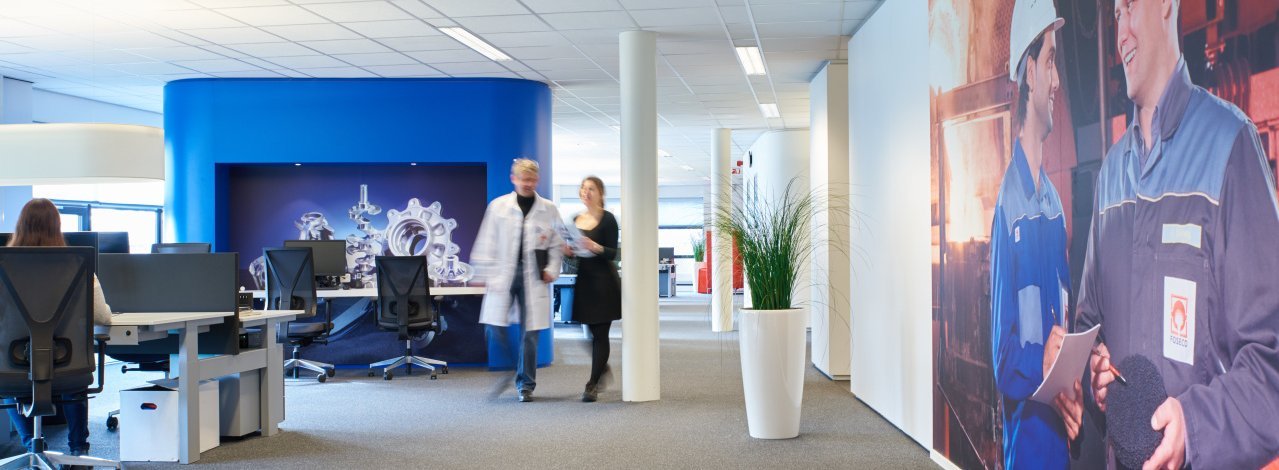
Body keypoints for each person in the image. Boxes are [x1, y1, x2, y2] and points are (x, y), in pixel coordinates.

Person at [1077, 0, 1279, 468]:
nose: (1121, 32)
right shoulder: (1109, 180)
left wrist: (1196, 424)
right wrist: (1096, 370)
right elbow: (1090, 325)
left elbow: (1272, 363)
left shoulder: (1230, 148)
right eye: (1114, 16)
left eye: (1128, 7)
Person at [989, 1, 1080, 468]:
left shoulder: (1054, 206)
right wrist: (1043, 358)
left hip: (1060, 445)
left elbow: (1064, 324)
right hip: (1027, 451)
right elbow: (1003, 357)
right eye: (1050, 61)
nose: (1057, 80)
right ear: (1029, 72)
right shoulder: (1009, 208)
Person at [4, 198, 113, 457]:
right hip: (68, 366)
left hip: (13, 366)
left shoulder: (3, 269)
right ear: (58, 227)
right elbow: (103, 318)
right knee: (74, 379)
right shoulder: (79, 267)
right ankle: (78, 450)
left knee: (6, 378)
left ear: (19, 226)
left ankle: (31, 444)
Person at [471, 158, 564, 403]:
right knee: (493, 327)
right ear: (513, 179)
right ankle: (512, 366)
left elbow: (557, 244)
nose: (528, 183)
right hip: (504, 272)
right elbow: (487, 240)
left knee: (530, 332)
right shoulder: (498, 206)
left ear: (537, 180)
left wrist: (553, 268)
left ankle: (525, 384)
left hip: (533, 274)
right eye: (523, 179)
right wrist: (482, 272)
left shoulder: (549, 209)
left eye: (532, 179)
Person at [562, 176, 621, 402]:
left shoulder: (608, 219)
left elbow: (612, 253)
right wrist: (569, 250)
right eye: (584, 189)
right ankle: (602, 367)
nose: (586, 192)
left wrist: (594, 246)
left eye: (591, 189)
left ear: (601, 193)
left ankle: (592, 384)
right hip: (584, 280)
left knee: (600, 333)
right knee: (583, 330)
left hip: (604, 281)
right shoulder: (575, 219)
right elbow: (573, 253)